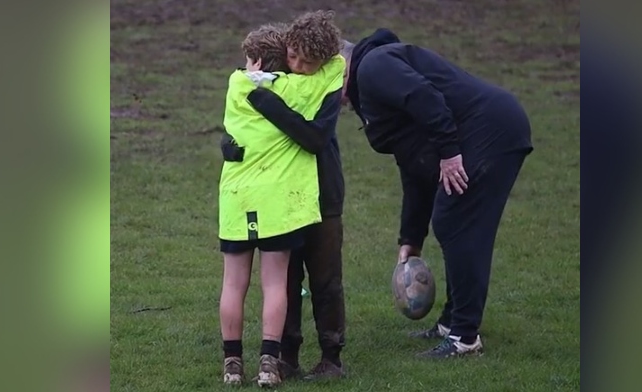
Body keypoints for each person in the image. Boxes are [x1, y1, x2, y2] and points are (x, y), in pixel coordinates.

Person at [341, 28, 534, 358]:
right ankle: (452, 323)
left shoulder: (373, 66)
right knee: (453, 222)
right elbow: (414, 169)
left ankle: (464, 338)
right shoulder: (368, 86)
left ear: (339, 64)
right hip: (485, 131)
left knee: (456, 223)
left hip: (492, 130)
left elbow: (425, 96)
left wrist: (449, 153)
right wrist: (410, 239)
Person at [220, 10, 348, 381]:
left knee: (325, 280)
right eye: (294, 57)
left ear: (323, 62)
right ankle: (285, 356)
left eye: (308, 63)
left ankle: (331, 357)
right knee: (287, 279)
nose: (298, 67)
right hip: (282, 197)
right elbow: (246, 127)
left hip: (323, 194)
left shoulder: (323, 86)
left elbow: (315, 138)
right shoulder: (277, 76)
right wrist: (228, 145)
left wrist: (267, 104)